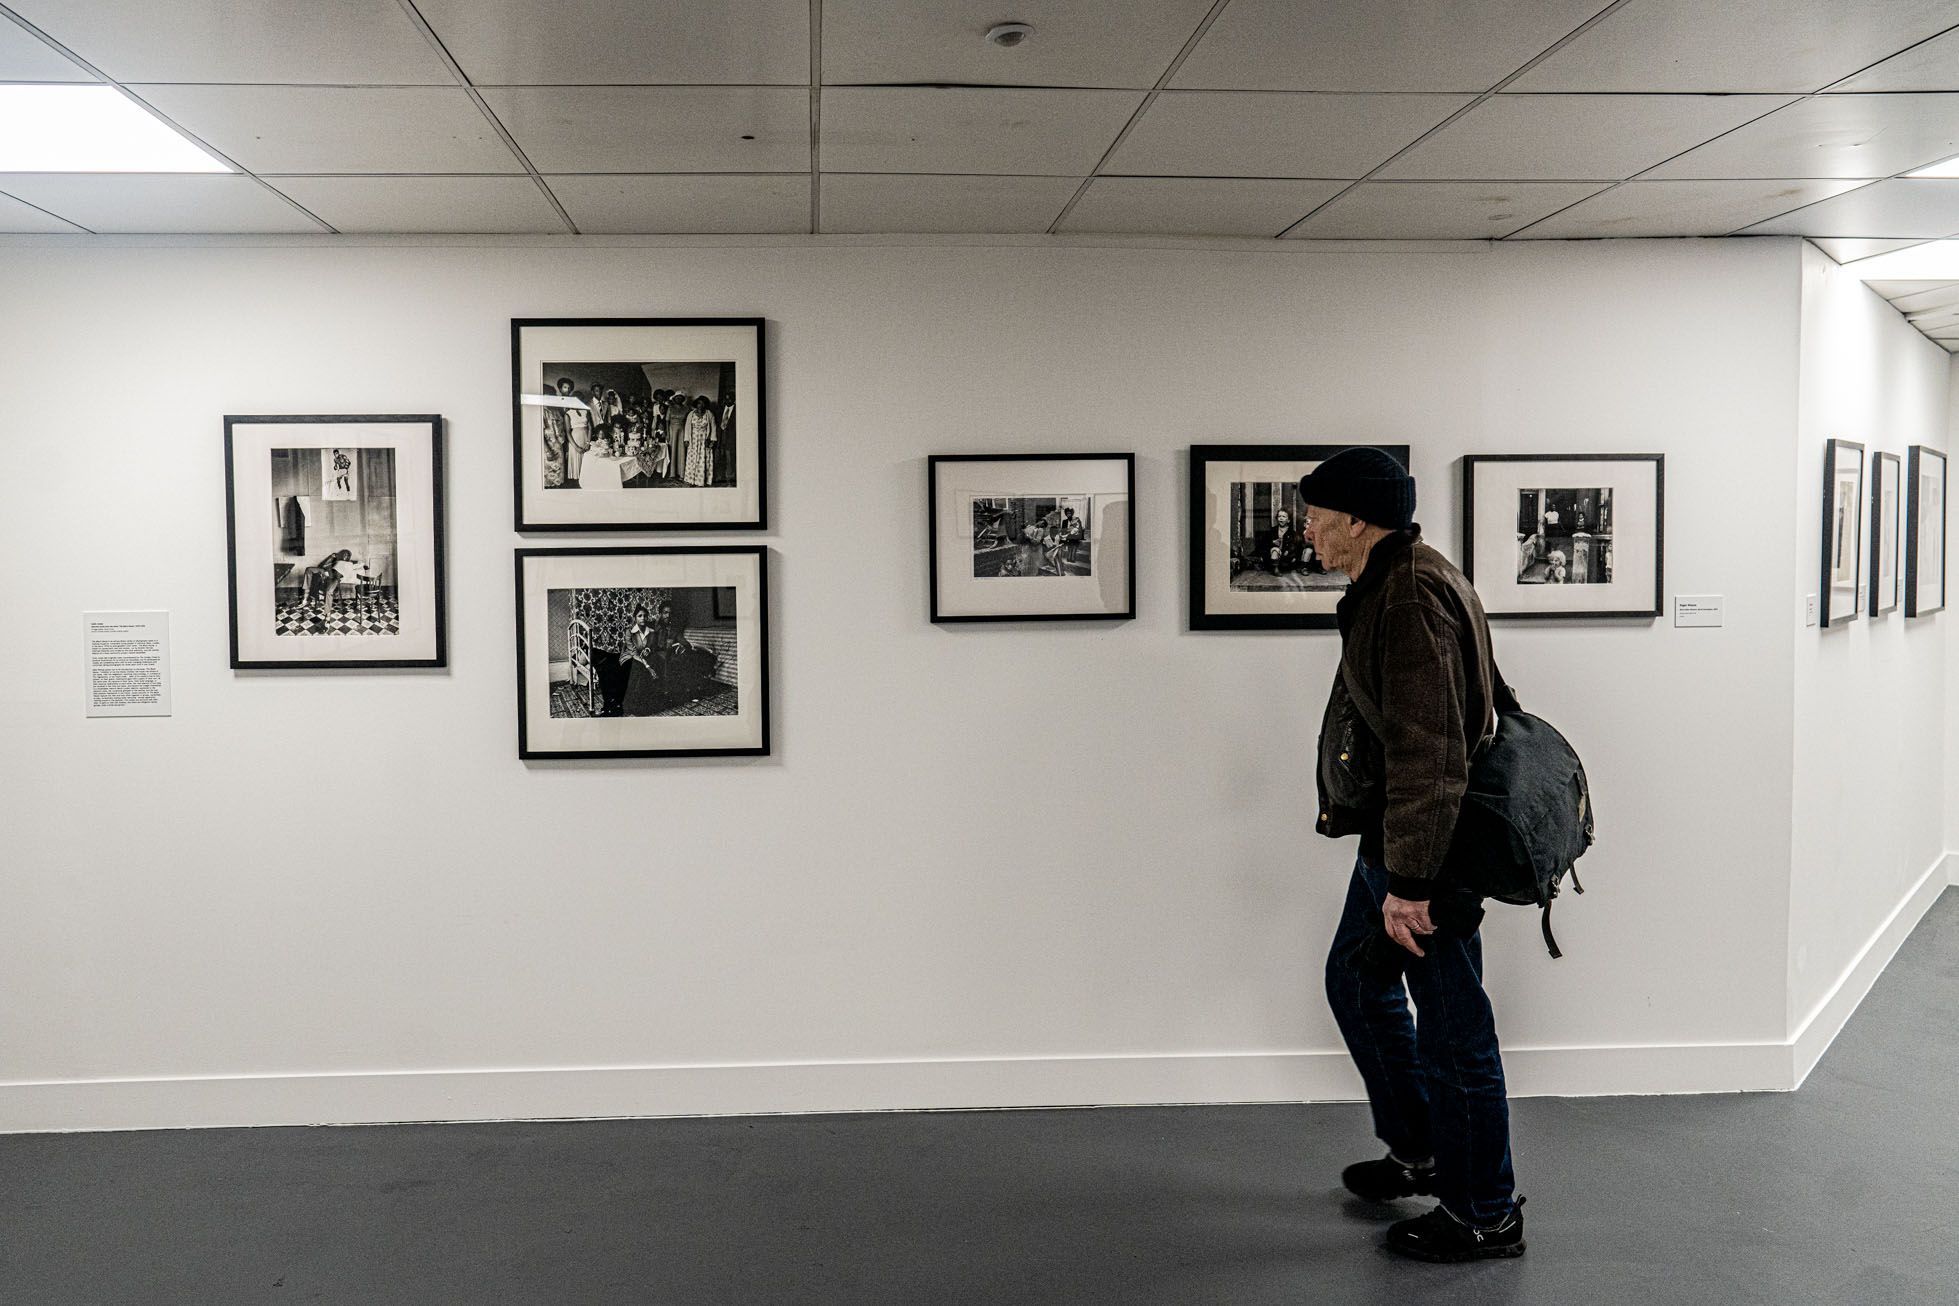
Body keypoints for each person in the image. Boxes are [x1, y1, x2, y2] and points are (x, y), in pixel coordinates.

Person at [1300, 447, 1524, 1263]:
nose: (1308, 531)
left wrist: (1413, 884)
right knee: (1356, 982)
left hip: (1430, 854)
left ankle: (1485, 1214)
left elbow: (1432, 751)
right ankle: (1422, 1151)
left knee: (1454, 1033)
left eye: (1318, 517)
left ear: (1358, 520)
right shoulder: (1399, 577)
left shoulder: (1408, 595)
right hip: (1401, 841)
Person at [682, 395, 718, 487]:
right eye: (699, 403)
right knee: (692, 459)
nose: (700, 405)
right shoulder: (691, 414)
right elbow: (687, 428)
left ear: (705, 405)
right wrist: (686, 439)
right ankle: (691, 480)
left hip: (704, 440)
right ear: (696, 404)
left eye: (702, 403)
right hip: (693, 440)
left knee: (703, 460)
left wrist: (712, 440)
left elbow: (713, 428)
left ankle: (701, 481)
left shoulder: (709, 414)